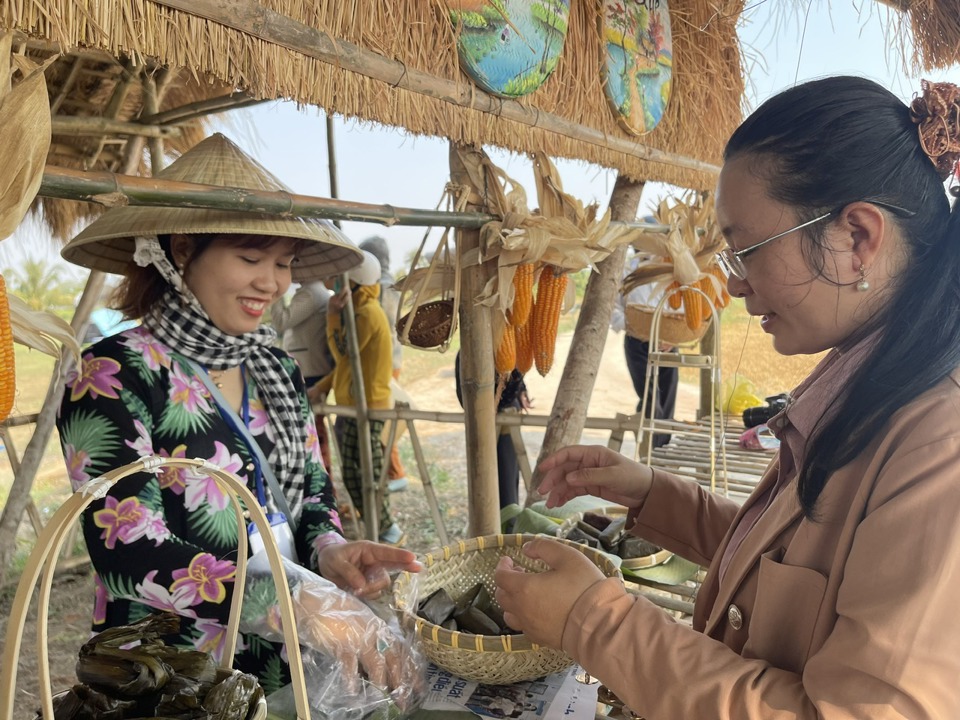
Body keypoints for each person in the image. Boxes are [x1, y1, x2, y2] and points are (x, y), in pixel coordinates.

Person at [494, 76, 960, 718]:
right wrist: (654, 495)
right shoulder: (870, 384)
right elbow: (800, 574)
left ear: (858, 239)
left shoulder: (941, 447)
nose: (735, 287)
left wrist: (592, 621)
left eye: (746, 252)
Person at [56, 133, 421, 696]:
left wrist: (329, 551)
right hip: (175, 666)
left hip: (285, 652)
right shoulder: (114, 374)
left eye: (283, 264)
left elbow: (312, 490)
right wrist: (292, 600)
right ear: (182, 249)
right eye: (250, 258)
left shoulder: (273, 364)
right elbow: (125, 549)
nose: (271, 283)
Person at [309, 251, 404, 545]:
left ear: (355, 282)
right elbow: (349, 365)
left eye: (341, 279)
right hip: (355, 402)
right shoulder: (363, 310)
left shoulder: (365, 314)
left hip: (369, 404)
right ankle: (378, 525)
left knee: (366, 472)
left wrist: (333, 316)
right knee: (355, 472)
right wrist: (323, 387)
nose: (335, 283)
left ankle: (387, 530)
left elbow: (342, 352)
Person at [610, 245, 679, 448]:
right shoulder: (626, 269)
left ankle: (661, 446)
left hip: (666, 342)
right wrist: (631, 327)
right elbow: (614, 306)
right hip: (637, 342)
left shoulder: (670, 268)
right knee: (650, 395)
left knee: (667, 395)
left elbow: (679, 305)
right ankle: (650, 447)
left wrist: (672, 339)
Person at [359, 235, 408, 492]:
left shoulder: (378, 291)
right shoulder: (396, 288)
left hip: (382, 362)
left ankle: (395, 473)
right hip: (395, 359)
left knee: (382, 420)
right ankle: (392, 473)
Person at [271, 280, 335, 474]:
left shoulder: (311, 293)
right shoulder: (314, 292)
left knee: (311, 431)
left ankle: (320, 477)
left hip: (309, 370)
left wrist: (276, 293)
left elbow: (281, 321)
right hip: (312, 368)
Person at [454, 350, 531, 509]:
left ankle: (507, 527)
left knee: (506, 486)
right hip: (486, 419)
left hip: (504, 419)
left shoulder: (506, 346)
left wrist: (520, 386)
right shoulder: (470, 354)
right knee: (489, 485)